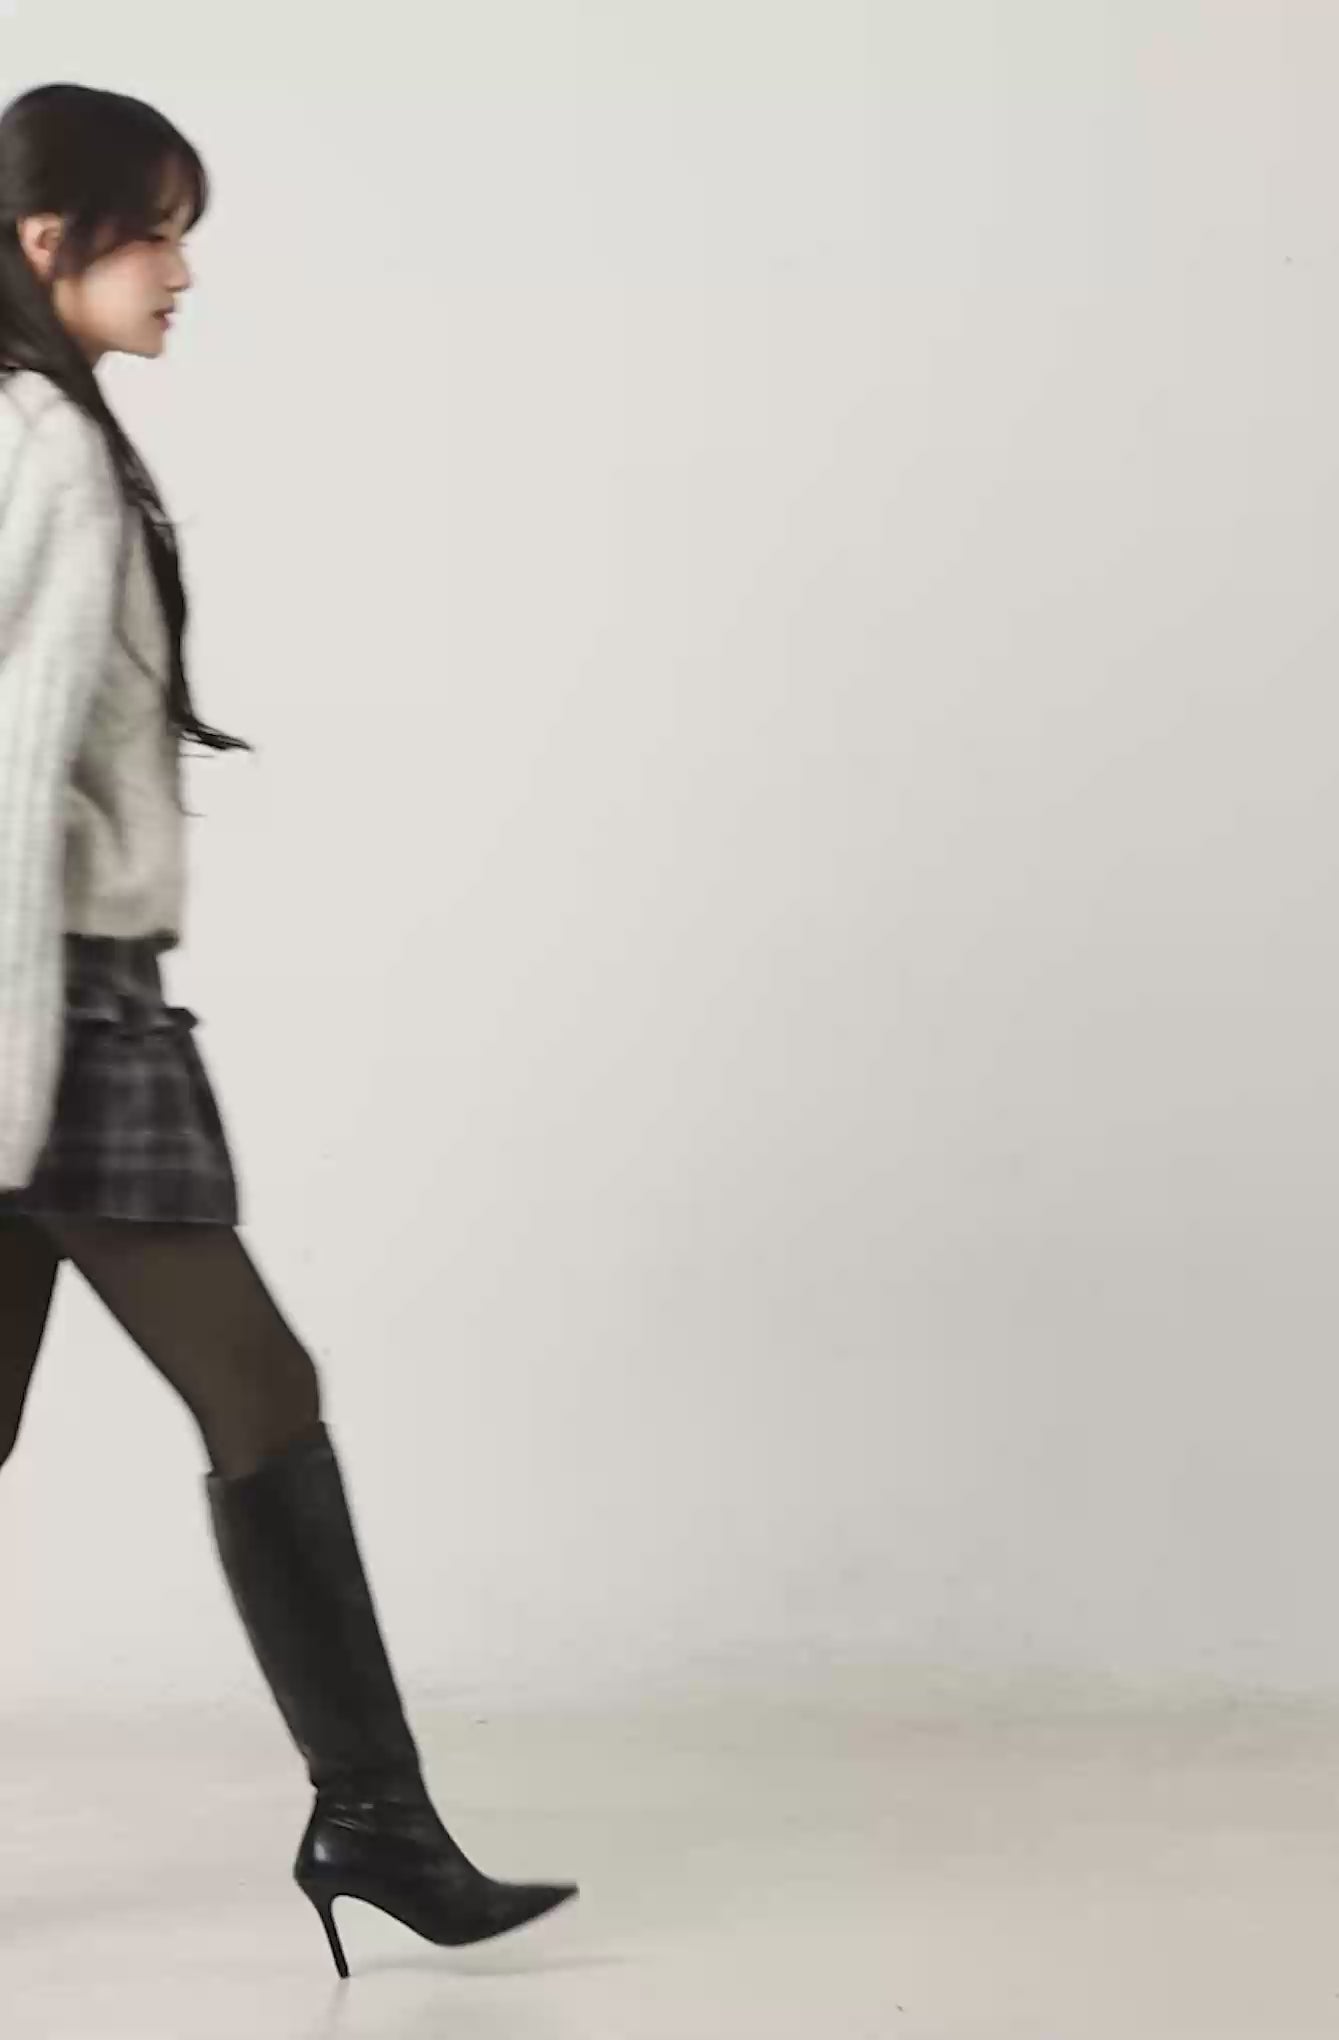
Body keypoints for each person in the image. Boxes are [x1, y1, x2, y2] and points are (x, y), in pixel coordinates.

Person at [0, 82, 578, 1979]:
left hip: (65, 1007)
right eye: (156, 232)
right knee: (263, 1391)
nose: (183, 273)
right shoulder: (40, 447)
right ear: (46, 241)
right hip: (45, 1020)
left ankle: (378, 1822)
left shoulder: (51, 429)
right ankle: (377, 1823)